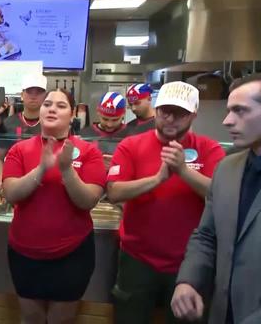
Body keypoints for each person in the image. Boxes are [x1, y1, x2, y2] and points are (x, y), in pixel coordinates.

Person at [107, 81, 226, 324]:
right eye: (165, 111)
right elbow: (115, 192)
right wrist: (157, 179)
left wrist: (183, 171)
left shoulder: (209, 148)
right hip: (137, 260)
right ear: (156, 110)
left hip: (189, 263)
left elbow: (222, 195)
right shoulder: (131, 145)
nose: (171, 119)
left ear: (194, 114)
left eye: (180, 113)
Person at [2, 88, 106, 324]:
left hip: (73, 254)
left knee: (62, 319)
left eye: (61, 105)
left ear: (72, 115)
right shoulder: (20, 149)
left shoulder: (89, 152)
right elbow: (11, 194)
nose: (52, 109)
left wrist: (66, 169)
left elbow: (88, 200)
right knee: (31, 318)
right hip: (24, 253)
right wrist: (41, 168)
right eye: (47, 104)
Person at [172, 74, 261, 324]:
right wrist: (188, 280)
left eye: (240, 111)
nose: (227, 121)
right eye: (228, 110)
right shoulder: (228, 168)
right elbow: (207, 235)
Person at [0, 73, 48, 178]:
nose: (33, 96)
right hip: (13, 181)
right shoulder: (8, 124)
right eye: (29, 91)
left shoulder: (51, 124)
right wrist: (0, 183)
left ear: (45, 96)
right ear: (22, 95)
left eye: (38, 92)